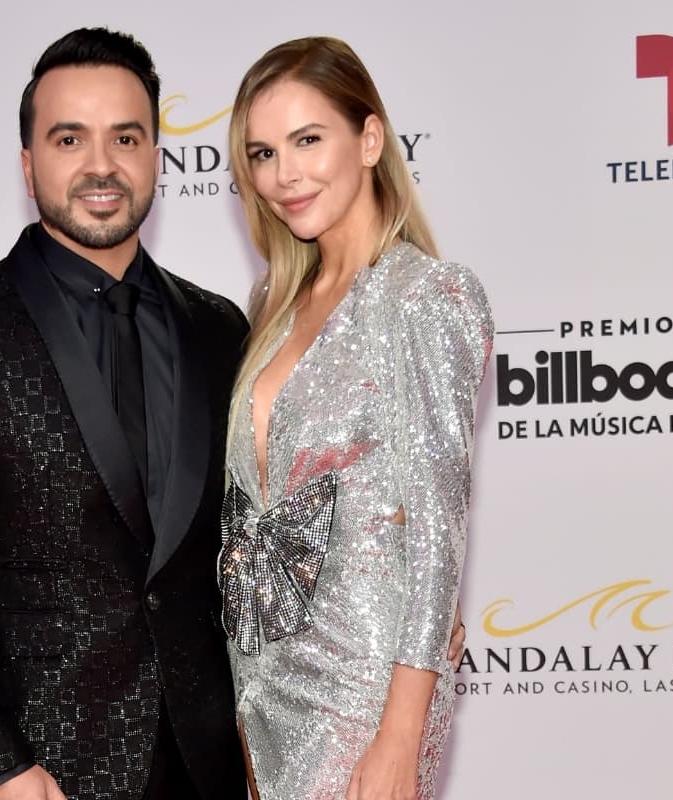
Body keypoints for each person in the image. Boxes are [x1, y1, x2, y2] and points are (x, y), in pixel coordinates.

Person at [0, 28, 248, 800]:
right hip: (41, 773)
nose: (100, 165)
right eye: (69, 138)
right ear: (28, 164)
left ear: (156, 156)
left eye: (126, 137)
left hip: (207, 764)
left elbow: (243, 545)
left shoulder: (220, 328)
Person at [219, 37, 493, 799]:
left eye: (308, 140)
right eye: (264, 153)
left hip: (362, 691)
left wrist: (401, 732)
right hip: (258, 686)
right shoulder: (270, 305)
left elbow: (436, 532)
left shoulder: (425, 298)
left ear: (369, 140)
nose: (285, 174)